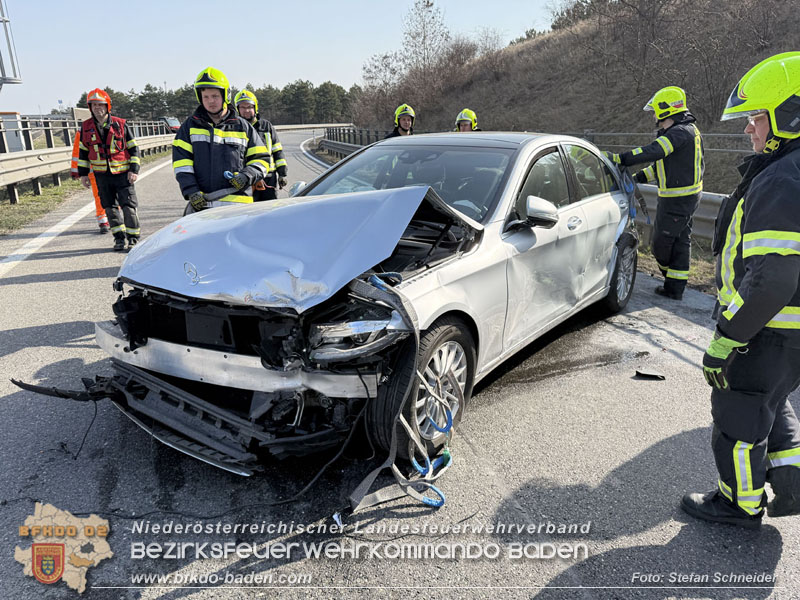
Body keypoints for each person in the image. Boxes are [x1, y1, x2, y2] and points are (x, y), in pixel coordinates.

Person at [680, 52, 800, 528]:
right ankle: (791, 487)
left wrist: (727, 339)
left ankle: (738, 504)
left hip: (766, 332)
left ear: (789, 116)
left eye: (756, 118)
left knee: (738, 416)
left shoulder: (781, 179)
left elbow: (772, 279)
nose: (750, 130)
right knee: (771, 404)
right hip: (789, 335)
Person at [606, 86, 704, 300]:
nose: (654, 116)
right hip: (683, 198)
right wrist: (638, 178)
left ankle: (672, 282)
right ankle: (674, 287)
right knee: (679, 242)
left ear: (665, 110)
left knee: (661, 244)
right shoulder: (686, 131)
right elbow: (665, 166)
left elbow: (654, 151)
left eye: (655, 111)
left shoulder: (679, 133)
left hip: (677, 200)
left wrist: (620, 158)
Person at [172, 67, 271, 212]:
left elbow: (262, 159)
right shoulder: (189, 127)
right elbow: (182, 164)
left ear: (225, 95)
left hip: (239, 208)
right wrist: (191, 191)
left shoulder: (242, 126)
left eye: (215, 96)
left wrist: (246, 175)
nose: (210, 101)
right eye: (205, 97)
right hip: (202, 208)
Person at [76, 88, 141, 251]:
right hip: (101, 176)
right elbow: (83, 152)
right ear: (90, 107)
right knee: (109, 208)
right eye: (94, 105)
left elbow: (134, 149)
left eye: (100, 105)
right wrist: (83, 174)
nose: (97, 108)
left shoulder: (121, 124)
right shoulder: (85, 127)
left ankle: (133, 238)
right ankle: (119, 239)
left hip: (123, 174)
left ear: (107, 106)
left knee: (128, 207)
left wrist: (134, 170)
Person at [233, 89, 287, 201]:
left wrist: (282, 174)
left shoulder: (266, 126)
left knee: (270, 210)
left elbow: (277, 151)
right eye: (242, 107)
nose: (246, 110)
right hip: (247, 178)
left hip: (268, 177)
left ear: (255, 107)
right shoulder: (234, 128)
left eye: (249, 107)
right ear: (237, 109)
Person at [70, 131, 109, 234]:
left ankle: (113, 217)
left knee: (114, 195)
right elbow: (77, 152)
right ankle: (103, 221)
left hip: (113, 169)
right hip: (94, 170)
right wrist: (77, 171)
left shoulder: (113, 125)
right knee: (99, 196)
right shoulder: (83, 130)